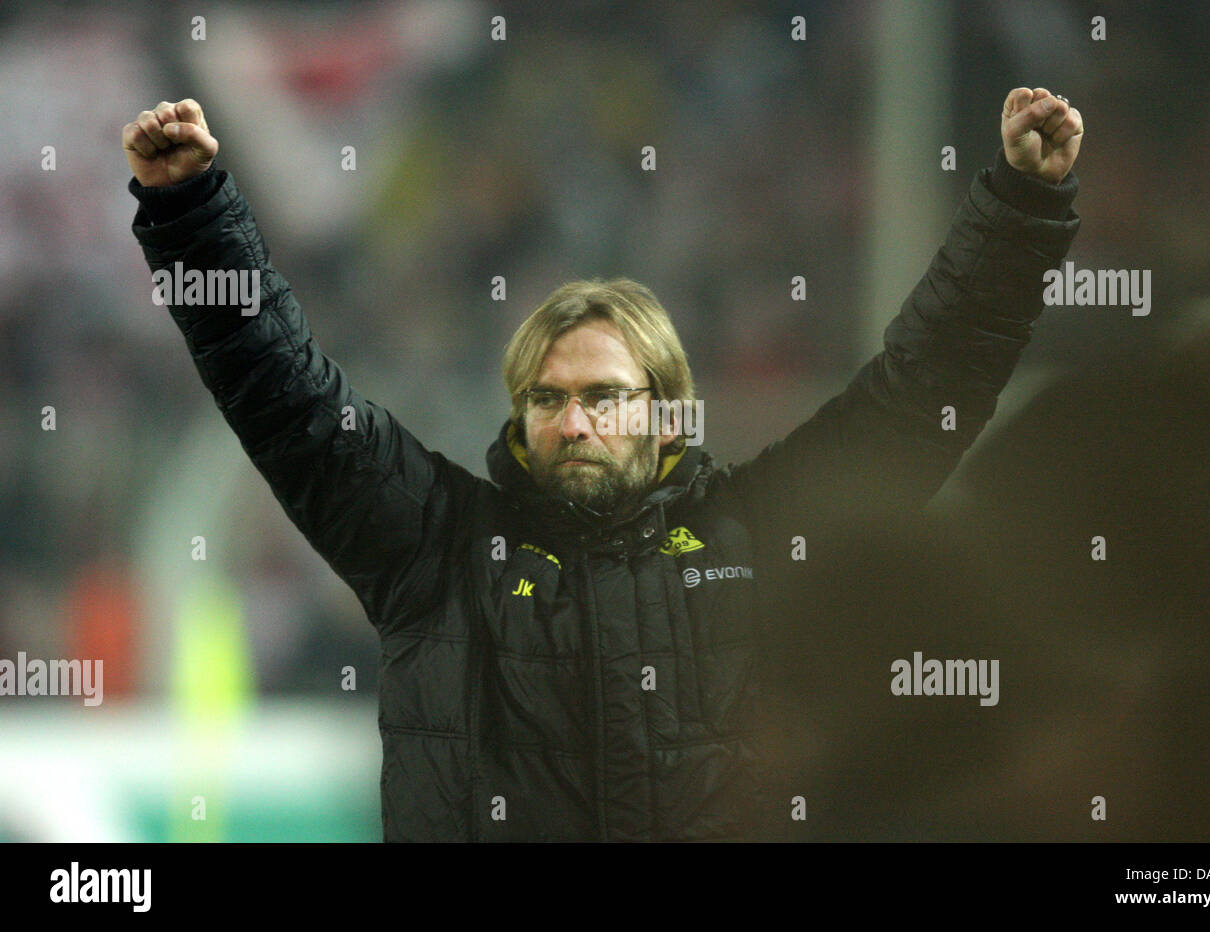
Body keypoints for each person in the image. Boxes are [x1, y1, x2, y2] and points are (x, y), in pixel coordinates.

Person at [122, 88, 1084, 841]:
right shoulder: (437, 549)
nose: (571, 421)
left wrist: (1020, 208)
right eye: (545, 399)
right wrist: (192, 213)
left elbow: (919, 394)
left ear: (664, 411)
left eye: (603, 396)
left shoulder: (763, 538)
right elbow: (288, 399)